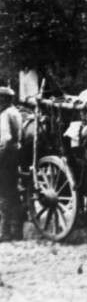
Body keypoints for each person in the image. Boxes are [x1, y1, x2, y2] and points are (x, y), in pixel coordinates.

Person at [0, 86, 23, 241]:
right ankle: (17, 231)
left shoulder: (5, 115)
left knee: (4, 194)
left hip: (6, 155)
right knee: (13, 194)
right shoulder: (16, 112)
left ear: (4, 99)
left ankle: (5, 232)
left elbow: (6, 138)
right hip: (16, 154)